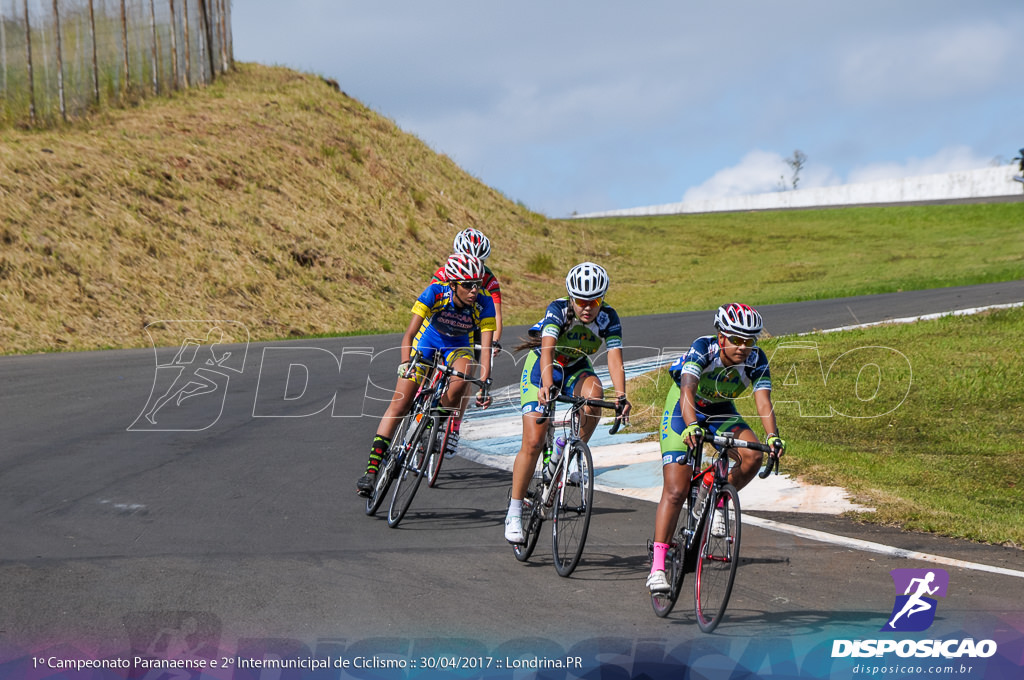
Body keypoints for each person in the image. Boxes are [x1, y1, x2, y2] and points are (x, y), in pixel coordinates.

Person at [646, 303, 786, 593]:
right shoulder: (703, 349)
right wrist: (690, 425)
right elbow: (687, 391)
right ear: (721, 337)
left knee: (753, 455)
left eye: (750, 340)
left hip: (720, 410)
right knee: (676, 489)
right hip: (684, 408)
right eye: (736, 339)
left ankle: (716, 493)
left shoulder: (757, 360)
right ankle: (658, 566)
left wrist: (772, 436)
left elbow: (763, 402)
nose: (743, 347)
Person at [503, 262, 631, 543]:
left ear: (603, 298)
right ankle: (513, 511)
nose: (587, 307)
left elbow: (614, 358)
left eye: (594, 301)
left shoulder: (609, 317)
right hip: (543, 366)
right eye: (581, 301)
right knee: (534, 441)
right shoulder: (558, 309)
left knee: (595, 395)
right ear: (571, 297)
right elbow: (546, 349)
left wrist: (621, 395)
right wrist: (547, 384)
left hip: (574, 366)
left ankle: (571, 448)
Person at [356, 252, 495, 496]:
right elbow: (409, 334)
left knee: (464, 375)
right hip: (427, 342)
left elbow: (485, 348)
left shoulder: (484, 303)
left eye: (477, 284)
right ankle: (371, 470)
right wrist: (405, 362)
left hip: (458, 345)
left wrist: (484, 384)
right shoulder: (435, 292)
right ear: (452, 284)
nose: (474, 290)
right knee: (400, 404)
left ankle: (435, 418)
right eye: (467, 285)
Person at [429, 228, 504, 457]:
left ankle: (454, 427)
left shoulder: (489, 280)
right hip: (442, 325)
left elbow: (496, 316)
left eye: (478, 262)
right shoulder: (445, 272)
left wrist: (495, 341)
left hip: (468, 329)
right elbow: (430, 301)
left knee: (467, 373)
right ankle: (420, 400)